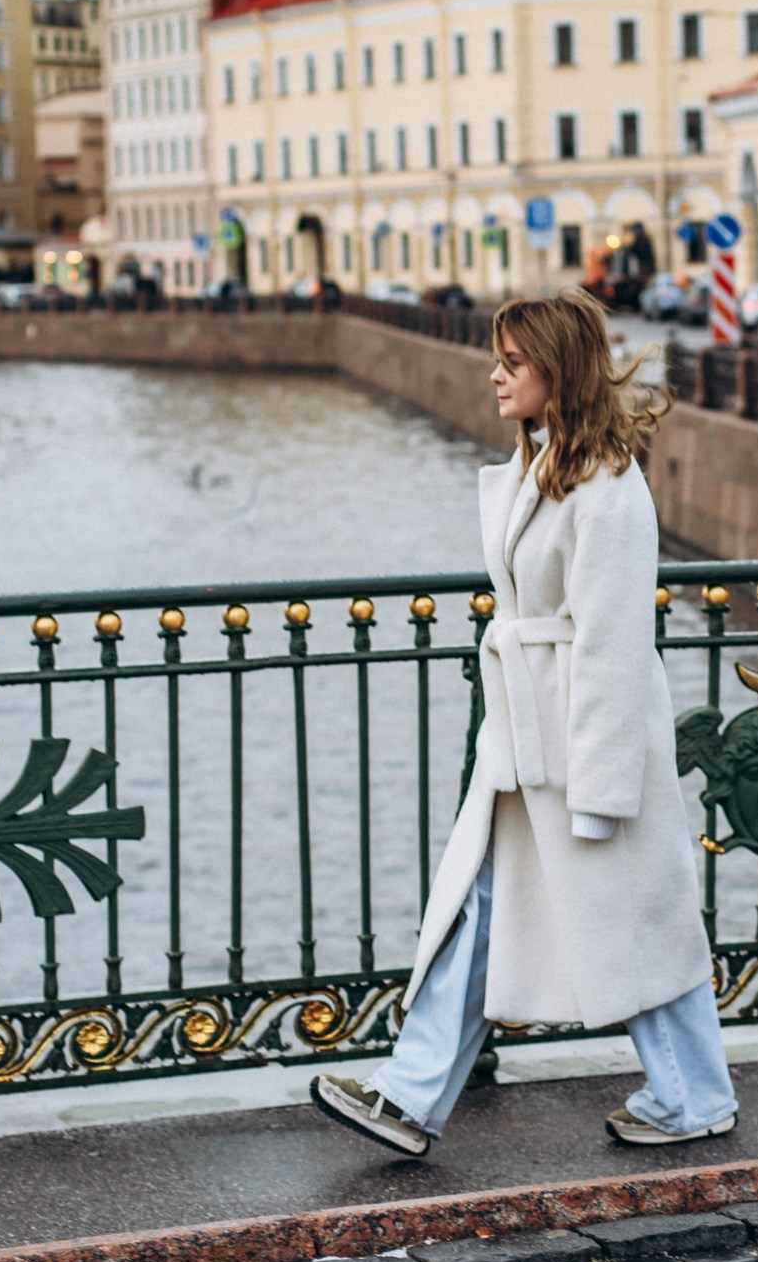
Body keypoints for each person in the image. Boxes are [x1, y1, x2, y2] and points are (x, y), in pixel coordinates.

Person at [312, 288, 736, 1156]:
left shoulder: (608, 491)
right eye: (497, 359)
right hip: (527, 739)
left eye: (512, 362)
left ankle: (694, 1096)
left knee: (632, 920)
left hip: (580, 744)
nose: (494, 375)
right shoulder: (544, 469)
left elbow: (615, 645)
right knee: (486, 905)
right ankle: (410, 1096)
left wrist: (602, 788)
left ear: (558, 370)